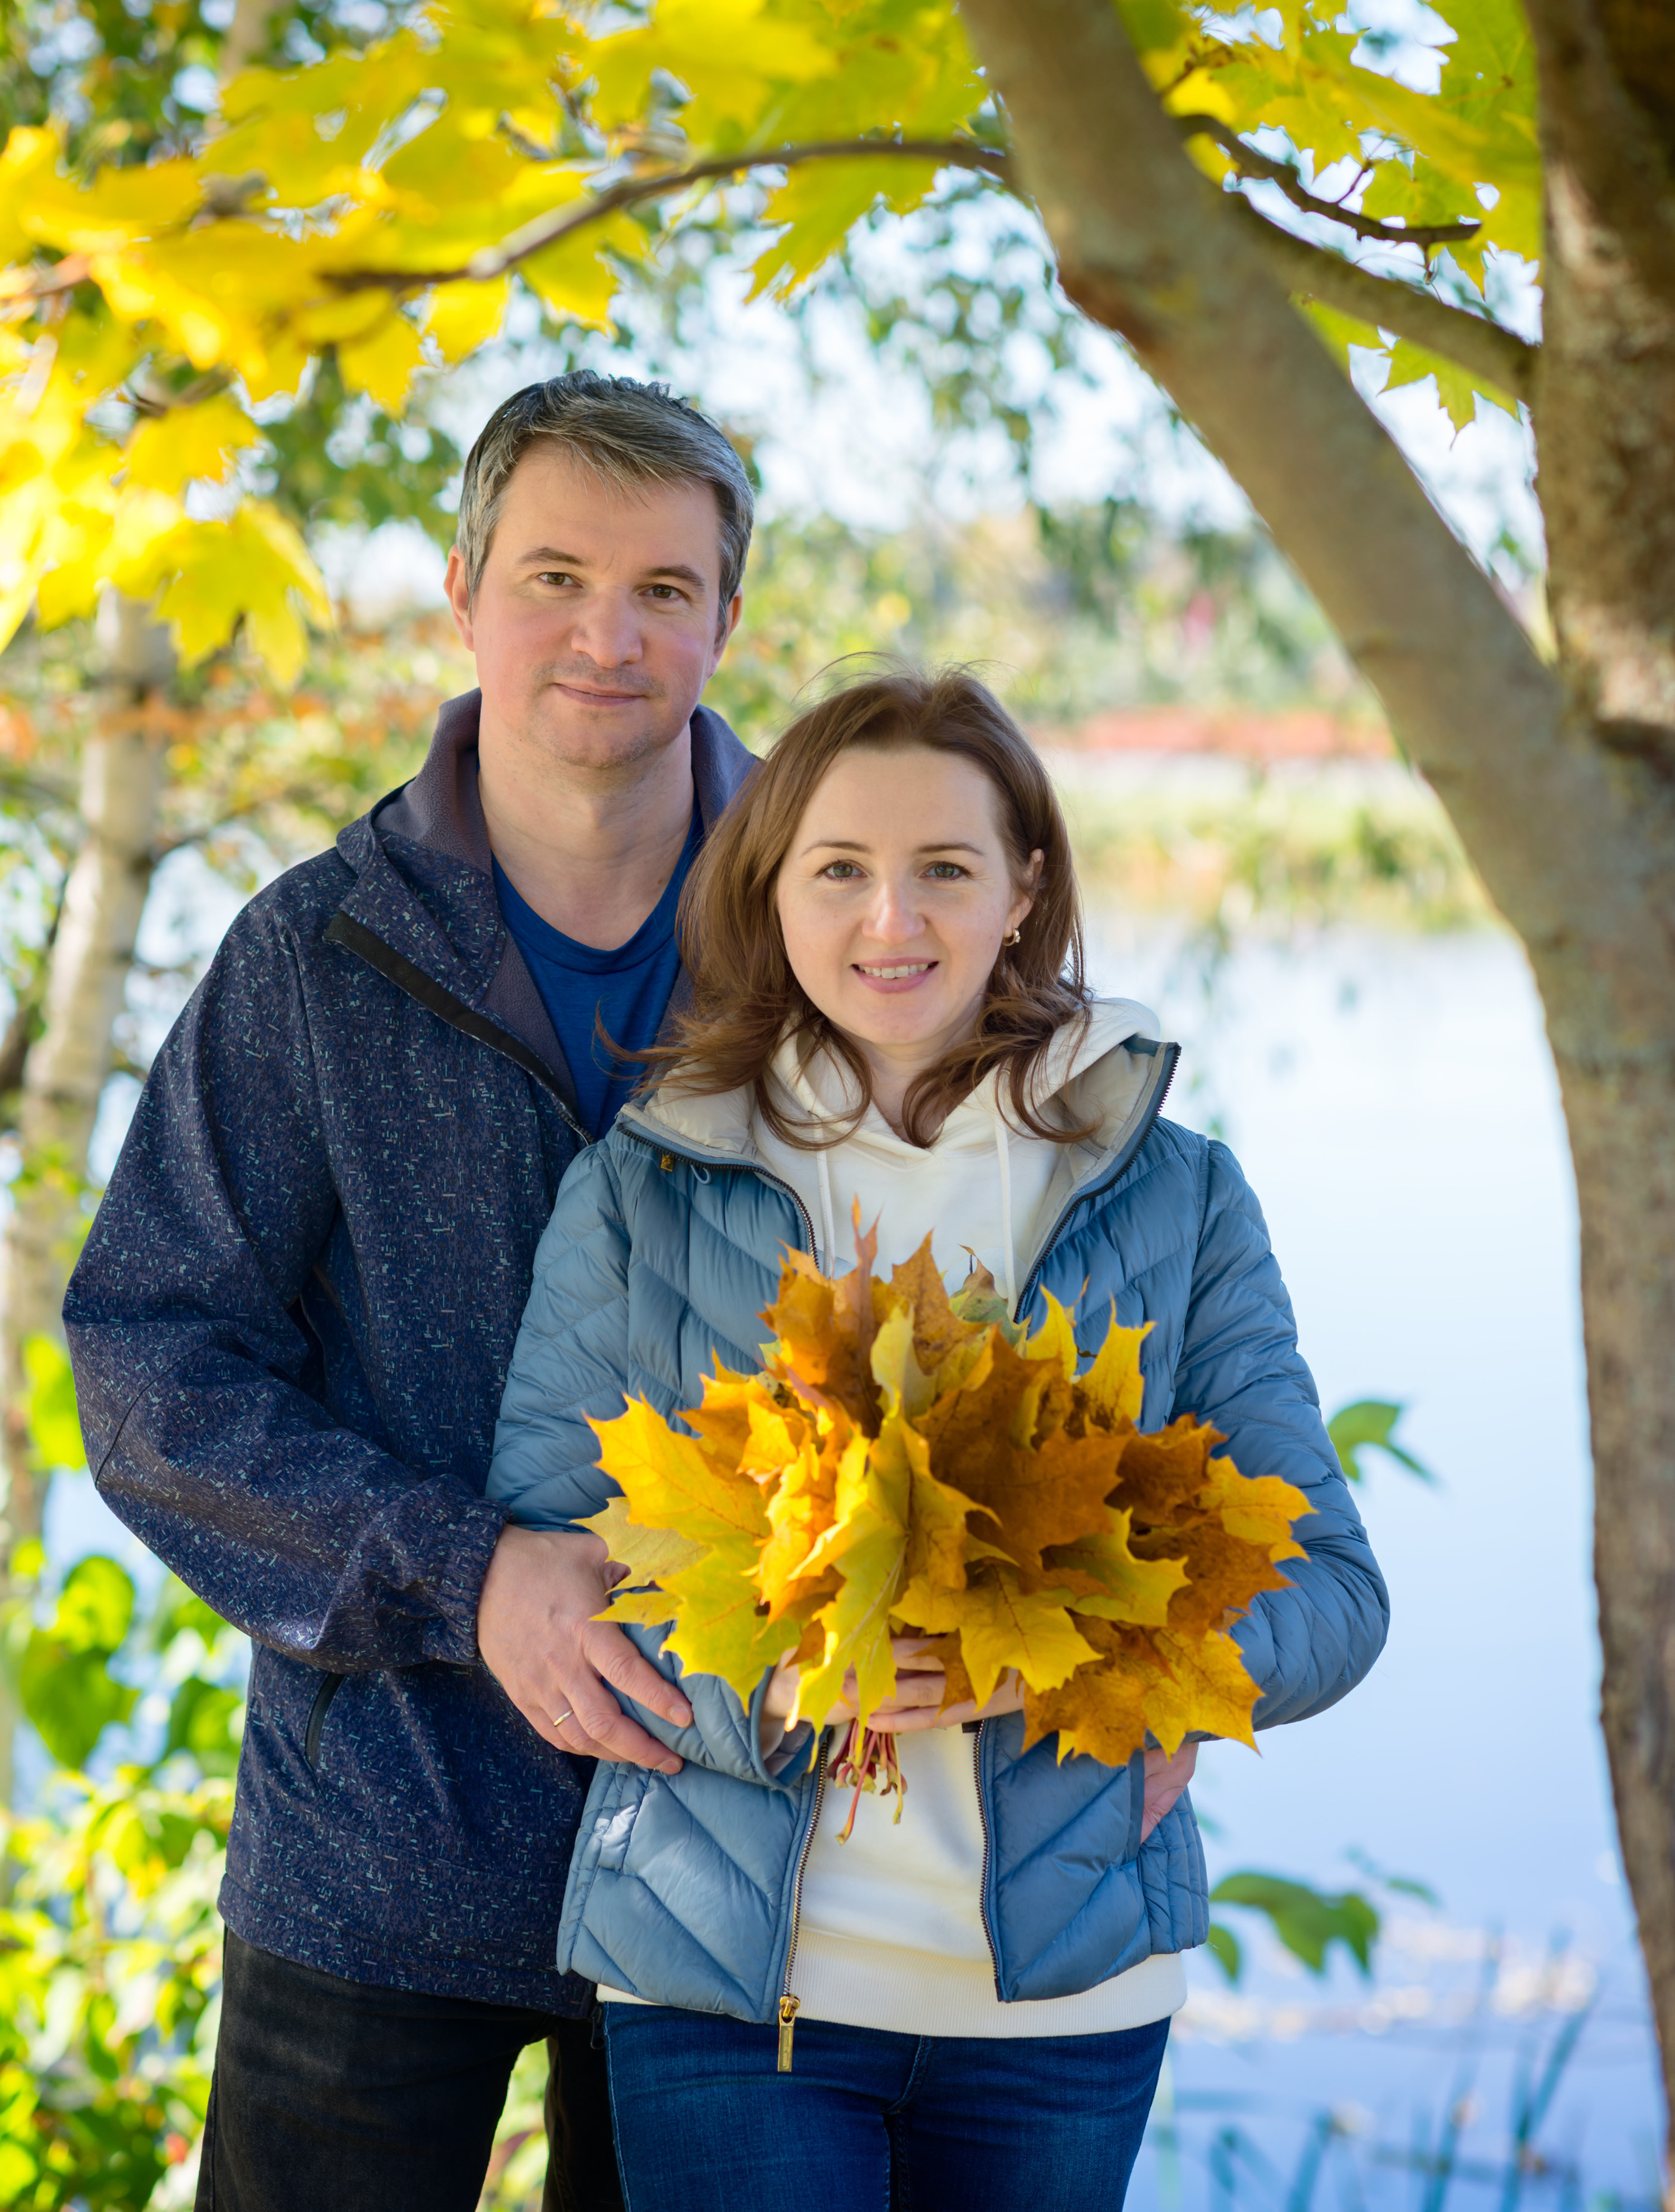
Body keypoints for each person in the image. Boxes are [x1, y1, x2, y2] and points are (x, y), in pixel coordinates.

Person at [487, 667, 1389, 2212]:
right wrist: (758, 1686)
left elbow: (1329, 1595)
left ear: (1023, 889)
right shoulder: (646, 1185)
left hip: (1062, 2008)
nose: (887, 920)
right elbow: (552, 1583)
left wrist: (1081, 1656)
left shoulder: (1169, 1197)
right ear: (769, 887)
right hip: (721, 1989)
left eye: (944, 870)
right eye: (838, 869)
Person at [63, 372, 762, 2212]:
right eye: (554, 576)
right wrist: (468, 1576)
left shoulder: (844, 932)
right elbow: (148, 1366)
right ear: (463, 595)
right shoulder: (312, 952)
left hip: (753, 1844)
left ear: (729, 617)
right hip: (381, 1842)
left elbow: (1005, 1310)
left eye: (664, 589)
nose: (608, 636)